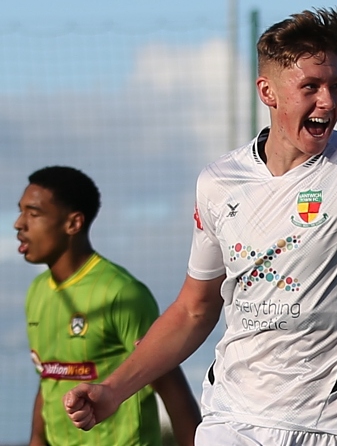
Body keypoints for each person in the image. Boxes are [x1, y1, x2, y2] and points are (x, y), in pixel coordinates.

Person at [62, 7, 337, 446]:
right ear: (267, 92)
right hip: (231, 421)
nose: (327, 102)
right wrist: (113, 390)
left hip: (336, 428)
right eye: (310, 87)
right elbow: (194, 310)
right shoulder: (218, 182)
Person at [15, 166, 202, 446]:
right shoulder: (36, 291)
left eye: (34, 213)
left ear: (73, 224)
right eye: (20, 211)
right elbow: (49, 380)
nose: (19, 223)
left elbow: (170, 385)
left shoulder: (121, 293)